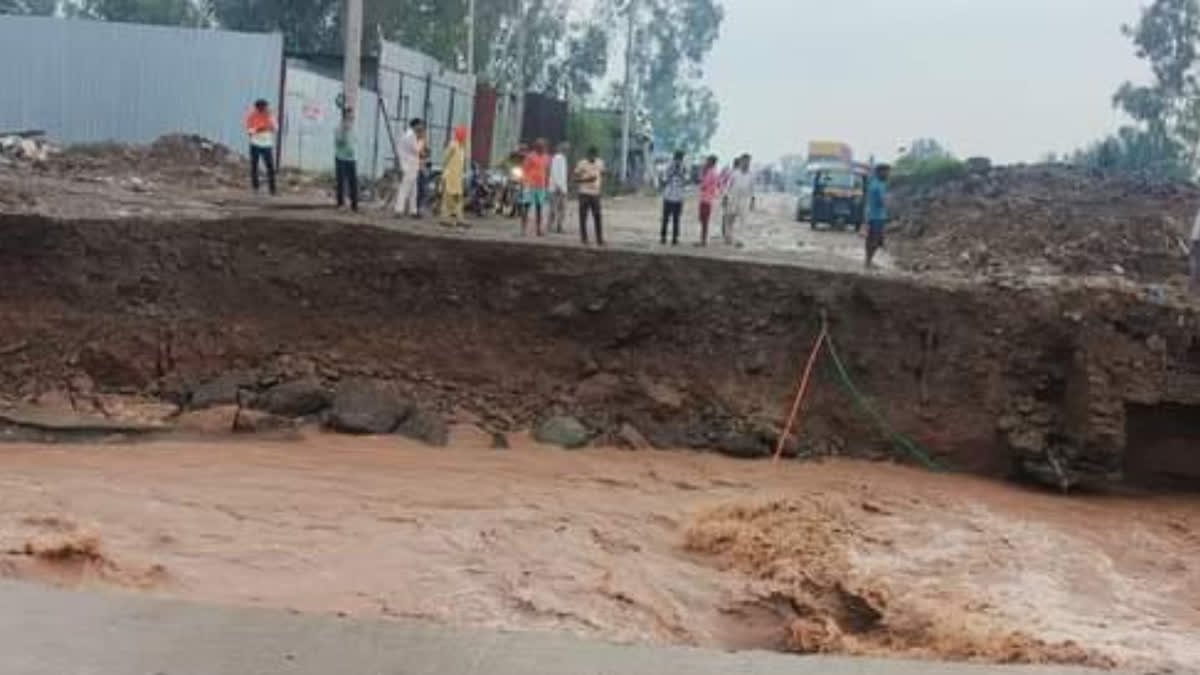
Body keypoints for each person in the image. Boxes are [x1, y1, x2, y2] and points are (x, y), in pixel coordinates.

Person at [244, 99, 277, 195]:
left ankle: (272, 189)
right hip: (255, 144)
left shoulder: (270, 116)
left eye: (265, 107)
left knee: (270, 167)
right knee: (254, 166)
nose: (264, 109)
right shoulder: (252, 116)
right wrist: (258, 129)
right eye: (261, 107)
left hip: (267, 145)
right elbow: (249, 131)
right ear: (257, 107)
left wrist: (269, 125)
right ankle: (255, 187)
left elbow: (275, 128)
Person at [574, 145, 605, 246]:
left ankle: (599, 239)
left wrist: (603, 177)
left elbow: (602, 173)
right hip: (584, 192)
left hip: (595, 193)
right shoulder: (582, 163)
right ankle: (584, 238)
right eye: (590, 155)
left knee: (597, 216)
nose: (592, 157)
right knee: (583, 216)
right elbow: (575, 178)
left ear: (596, 155)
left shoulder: (600, 163)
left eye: (594, 155)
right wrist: (586, 180)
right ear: (588, 155)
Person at [393, 118, 424, 217]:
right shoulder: (410, 136)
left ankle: (413, 211)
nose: (421, 127)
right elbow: (417, 150)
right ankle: (399, 210)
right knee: (405, 188)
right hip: (409, 165)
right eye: (420, 125)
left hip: (411, 164)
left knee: (413, 190)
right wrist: (421, 141)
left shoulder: (409, 135)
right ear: (415, 125)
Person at [521, 138, 550, 236]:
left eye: (543, 147)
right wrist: (524, 183)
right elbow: (525, 170)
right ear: (536, 147)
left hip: (541, 186)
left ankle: (538, 229)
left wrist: (547, 183)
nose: (543, 148)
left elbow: (546, 170)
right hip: (530, 184)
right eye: (540, 146)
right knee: (526, 206)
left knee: (539, 207)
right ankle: (523, 229)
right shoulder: (530, 156)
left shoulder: (546, 157)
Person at [441, 125, 468, 228]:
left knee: (458, 199)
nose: (464, 136)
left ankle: (460, 218)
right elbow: (445, 159)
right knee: (448, 199)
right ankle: (445, 219)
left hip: (458, 177)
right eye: (463, 134)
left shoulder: (462, 147)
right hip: (450, 176)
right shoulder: (453, 145)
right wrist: (445, 174)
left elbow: (462, 163)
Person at [865, 163, 891, 269]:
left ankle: (868, 261)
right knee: (874, 240)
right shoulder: (878, 185)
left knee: (874, 239)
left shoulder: (874, 183)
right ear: (880, 172)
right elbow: (882, 201)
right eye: (887, 172)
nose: (889, 175)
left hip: (873, 215)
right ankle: (868, 262)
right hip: (877, 216)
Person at [725, 154, 754, 245]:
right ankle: (728, 237)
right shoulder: (734, 173)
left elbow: (752, 189)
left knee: (743, 221)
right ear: (741, 162)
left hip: (744, 200)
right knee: (729, 219)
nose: (746, 163)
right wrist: (725, 197)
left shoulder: (751, 175)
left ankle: (740, 241)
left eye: (748, 161)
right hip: (733, 198)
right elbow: (728, 186)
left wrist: (752, 202)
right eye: (744, 161)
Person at [333, 106, 358, 212]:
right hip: (341, 158)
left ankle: (354, 205)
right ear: (345, 116)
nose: (352, 117)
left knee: (353, 182)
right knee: (341, 182)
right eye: (349, 115)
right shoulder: (339, 128)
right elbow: (339, 142)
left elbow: (355, 142)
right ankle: (341, 204)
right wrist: (344, 131)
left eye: (352, 115)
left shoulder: (354, 128)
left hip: (352, 158)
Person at [660, 150, 687, 245]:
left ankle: (665, 238)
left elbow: (663, 180)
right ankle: (673, 239)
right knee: (674, 219)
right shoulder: (681, 167)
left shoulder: (671, 166)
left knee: (667, 219)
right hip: (676, 196)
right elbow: (685, 182)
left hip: (670, 196)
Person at [697, 155, 720, 246]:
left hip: (706, 198)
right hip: (707, 198)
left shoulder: (711, 172)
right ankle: (703, 239)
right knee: (703, 220)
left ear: (711, 162)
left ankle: (703, 240)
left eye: (707, 161)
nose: (706, 162)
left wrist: (702, 172)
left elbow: (703, 185)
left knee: (704, 220)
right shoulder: (712, 172)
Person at [549, 142, 570, 233]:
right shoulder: (557, 158)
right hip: (556, 188)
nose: (567, 150)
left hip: (562, 188)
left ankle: (559, 226)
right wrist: (558, 186)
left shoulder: (564, 158)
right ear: (561, 148)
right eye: (566, 148)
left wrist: (564, 188)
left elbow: (563, 175)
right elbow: (554, 172)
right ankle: (550, 226)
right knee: (554, 208)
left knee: (562, 209)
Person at [1191, 206, 1200, 293]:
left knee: (1196, 263)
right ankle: (1195, 288)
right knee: (1197, 264)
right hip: (1198, 239)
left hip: (1196, 238)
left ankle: (1194, 286)